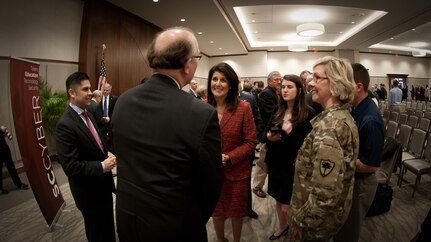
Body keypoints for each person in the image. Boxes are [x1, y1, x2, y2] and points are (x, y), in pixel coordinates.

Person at [111, 27, 223, 242]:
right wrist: (193, 219)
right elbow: (211, 182)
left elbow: (120, 151)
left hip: (128, 218)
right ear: (188, 64)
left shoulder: (123, 100)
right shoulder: (200, 113)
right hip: (175, 225)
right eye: (198, 57)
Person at [290, 56, 359, 242]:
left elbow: (324, 195)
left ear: (335, 83)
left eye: (317, 78)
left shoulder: (330, 128)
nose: (311, 83)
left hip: (314, 224)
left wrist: (300, 221)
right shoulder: (341, 117)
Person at [55, 72, 117, 242]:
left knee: (108, 230)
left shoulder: (88, 113)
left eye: (90, 88)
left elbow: (96, 143)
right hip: (89, 194)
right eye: (86, 89)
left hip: (102, 187)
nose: (91, 92)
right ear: (72, 93)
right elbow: (71, 167)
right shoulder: (65, 125)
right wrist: (102, 166)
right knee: (98, 234)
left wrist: (106, 153)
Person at [333, 63, 384, 242]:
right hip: (352, 178)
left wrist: (337, 161)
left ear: (358, 86)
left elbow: (371, 166)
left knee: (348, 232)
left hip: (361, 185)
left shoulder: (370, 120)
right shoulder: (356, 107)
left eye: (344, 83)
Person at [208, 62, 256, 242]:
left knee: (236, 214)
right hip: (212, 173)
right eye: (214, 79)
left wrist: (230, 157)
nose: (218, 84)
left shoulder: (243, 108)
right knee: (217, 212)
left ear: (231, 84)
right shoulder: (203, 107)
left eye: (223, 80)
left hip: (237, 172)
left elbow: (251, 142)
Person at [265, 74, 314, 240]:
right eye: (283, 87)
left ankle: (294, 228)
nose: (285, 90)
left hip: (293, 166)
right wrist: (269, 137)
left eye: (289, 87)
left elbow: (307, 144)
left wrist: (288, 132)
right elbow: (266, 131)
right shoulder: (277, 109)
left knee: (289, 205)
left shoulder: (308, 113)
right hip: (276, 162)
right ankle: (282, 226)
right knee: (278, 201)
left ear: (299, 90)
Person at [253, 71, 281, 198]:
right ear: (269, 81)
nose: (279, 82)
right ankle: (257, 187)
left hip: (275, 131)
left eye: (280, 79)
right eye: (276, 80)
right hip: (268, 132)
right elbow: (272, 113)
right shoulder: (266, 93)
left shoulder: (276, 91)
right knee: (263, 161)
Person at [239, 82, 263, 219]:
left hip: (246, 148)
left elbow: (258, 121)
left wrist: (255, 137)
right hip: (224, 151)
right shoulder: (215, 101)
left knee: (246, 180)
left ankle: (247, 208)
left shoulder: (250, 99)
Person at [0, 125, 29, 194]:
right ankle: (1, 188)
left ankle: (19, 184)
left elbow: (7, 137)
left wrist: (4, 132)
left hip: (4, 148)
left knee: (11, 167)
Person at [96, 82, 117, 149]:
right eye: (104, 90)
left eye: (107, 90)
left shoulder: (114, 99)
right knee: (103, 143)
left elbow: (115, 112)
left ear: (110, 91)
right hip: (101, 125)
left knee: (112, 143)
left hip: (110, 125)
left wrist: (110, 119)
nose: (105, 91)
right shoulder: (99, 98)